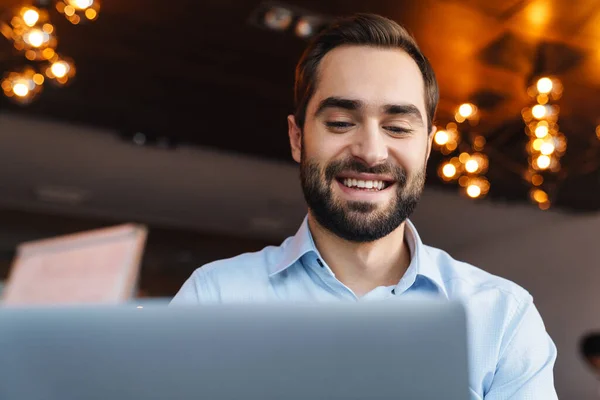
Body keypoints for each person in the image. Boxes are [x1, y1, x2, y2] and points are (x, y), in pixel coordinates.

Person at [171, 13, 557, 399]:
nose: (371, 152)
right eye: (340, 122)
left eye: (398, 127)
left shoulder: (503, 318)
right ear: (296, 137)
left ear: (425, 147)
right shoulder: (214, 298)